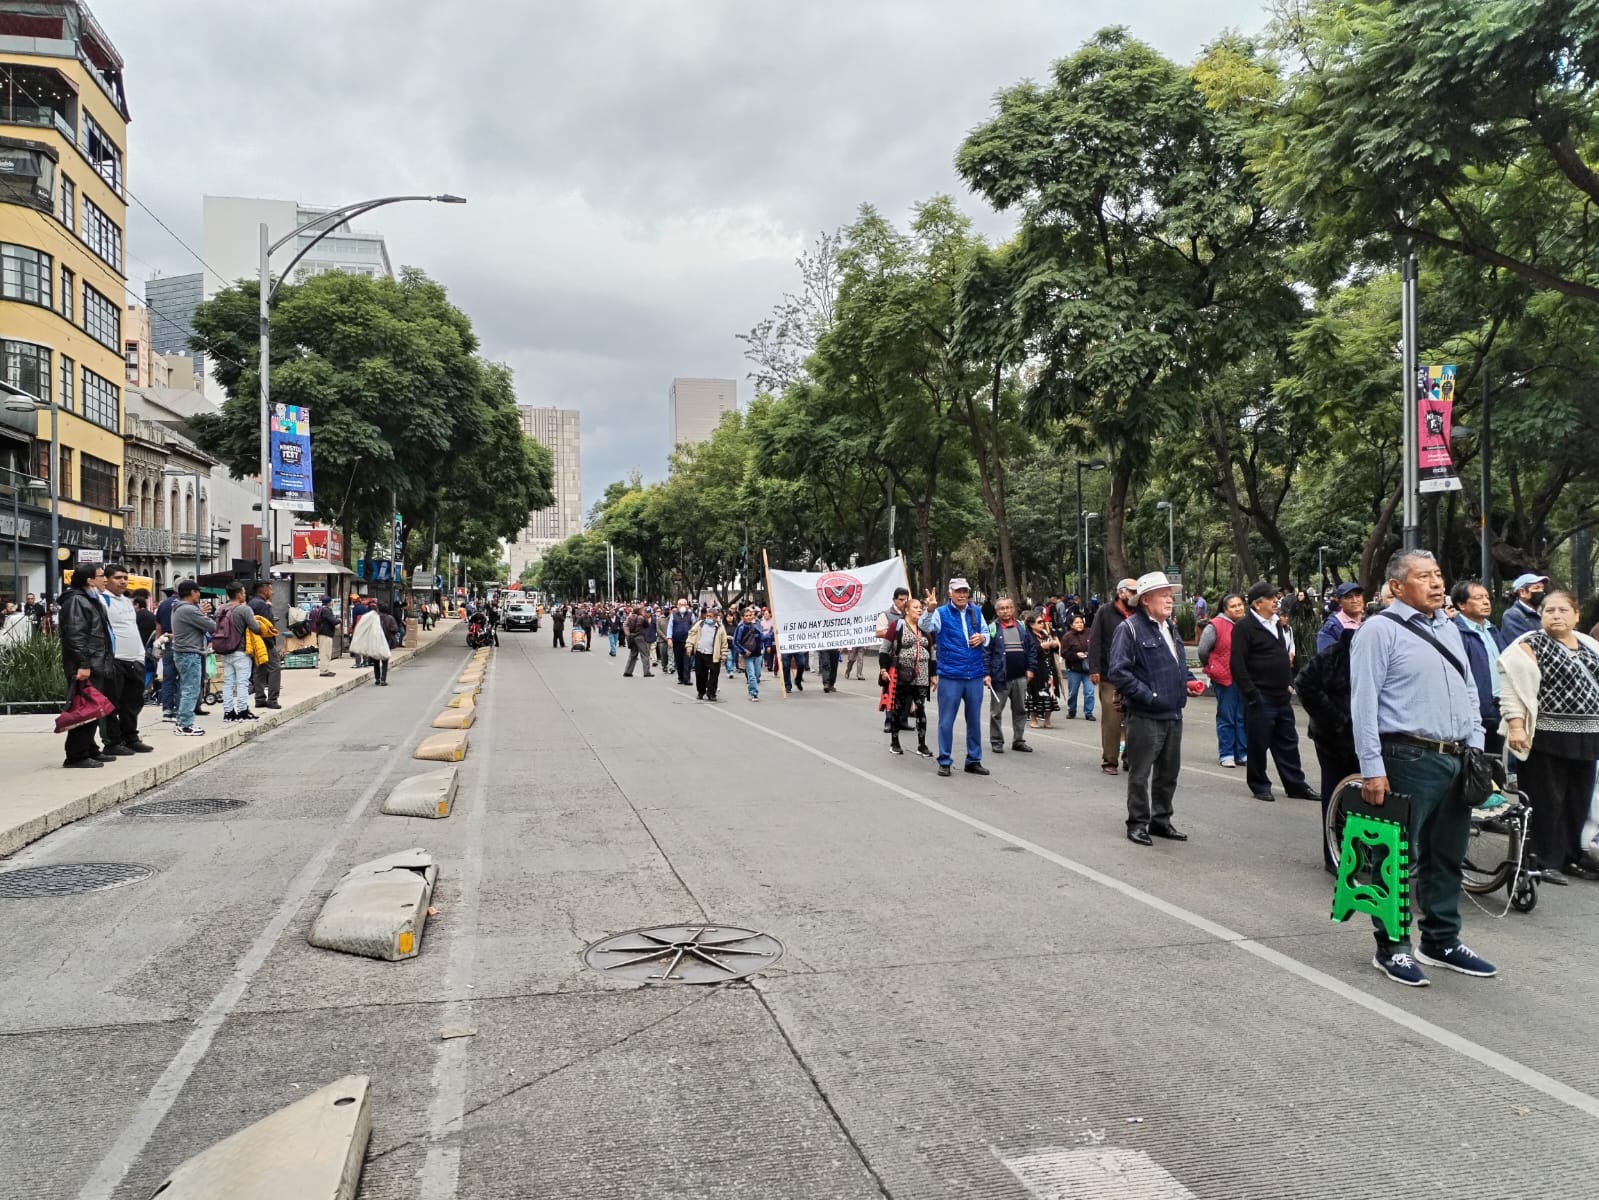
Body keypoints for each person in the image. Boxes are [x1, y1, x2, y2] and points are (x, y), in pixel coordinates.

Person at [1350, 548, 1496, 986]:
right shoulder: (1379, 630)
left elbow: (1469, 689)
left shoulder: (1448, 627)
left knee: (1447, 855)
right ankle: (1392, 947)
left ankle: (1441, 941)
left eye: (1438, 575)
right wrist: (1372, 767)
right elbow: (1363, 703)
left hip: (1457, 757)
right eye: (1424, 576)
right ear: (1397, 586)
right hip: (1407, 758)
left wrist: (1475, 743)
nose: (1436, 583)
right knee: (1395, 857)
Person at [1499, 589, 1599, 884]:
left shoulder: (1589, 645)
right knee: (1546, 800)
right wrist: (1517, 726)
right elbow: (1512, 690)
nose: (1556, 615)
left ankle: (1569, 857)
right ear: (1540, 616)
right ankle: (1541, 858)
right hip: (1546, 736)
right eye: (1549, 610)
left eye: (1563, 610)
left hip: (1588, 736)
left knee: (1577, 799)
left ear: (1577, 616)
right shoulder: (1529, 645)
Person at [1108, 571, 1205, 845]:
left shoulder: (1169, 628)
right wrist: (1149, 696)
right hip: (1145, 715)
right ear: (1146, 600)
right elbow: (1119, 672)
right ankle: (1137, 823)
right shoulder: (1129, 629)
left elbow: (1177, 664)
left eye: (1170, 595)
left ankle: (1161, 820)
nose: (1170, 599)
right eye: (1163, 595)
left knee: (1168, 773)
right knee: (1140, 774)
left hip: (1173, 713)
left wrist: (1189, 681)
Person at [1232, 582, 1317, 803]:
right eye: (1271, 598)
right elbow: (1237, 664)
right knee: (1258, 743)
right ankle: (1259, 784)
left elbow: (1282, 654)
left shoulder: (1276, 623)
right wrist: (1251, 693)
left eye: (1276, 597)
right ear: (1257, 603)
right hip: (1260, 695)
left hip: (1281, 694)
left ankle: (1295, 785)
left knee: (1288, 741)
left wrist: (1288, 682)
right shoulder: (1245, 627)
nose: (1276, 601)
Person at [1295, 624, 1359, 872]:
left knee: (1362, 798)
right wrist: (1338, 721)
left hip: (1367, 739)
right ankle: (1334, 855)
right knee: (1335, 795)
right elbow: (1304, 684)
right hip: (1333, 740)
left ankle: (1358, 852)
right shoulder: (1338, 652)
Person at [919, 578, 991, 778]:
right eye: (958, 591)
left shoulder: (976, 611)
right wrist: (930, 609)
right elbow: (924, 626)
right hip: (950, 674)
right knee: (946, 721)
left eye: (965, 591)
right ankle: (944, 760)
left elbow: (987, 633)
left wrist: (983, 637)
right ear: (950, 593)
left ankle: (973, 760)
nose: (962, 595)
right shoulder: (940, 613)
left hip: (974, 673)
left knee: (974, 720)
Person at [58, 566, 116, 768]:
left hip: (96, 662)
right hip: (87, 664)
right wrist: (83, 664)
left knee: (93, 709)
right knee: (85, 709)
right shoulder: (77, 600)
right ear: (89, 580)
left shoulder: (89, 599)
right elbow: (75, 635)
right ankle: (76, 755)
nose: (105, 580)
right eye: (101, 576)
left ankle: (90, 749)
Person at [99, 565, 153, 756]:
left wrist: (140, 656)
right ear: (106, 580)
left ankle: (130, 737)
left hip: (134, 659)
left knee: (133, 703)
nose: (122, 581)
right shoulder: (102, 600)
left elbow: (131, 628)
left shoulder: (127, 601)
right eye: (117, 577)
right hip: (116, 659)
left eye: (125, 577)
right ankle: (112, 742)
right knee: (111, 703)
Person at [1089, 578, 1138, 775]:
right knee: (1112, 719)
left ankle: (1130, 758)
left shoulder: (1139, 612)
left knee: (1134, 719)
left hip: (1135, 674)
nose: (1135, 595)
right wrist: (1094, 668)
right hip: (1110, 674)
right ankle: (1110, 761)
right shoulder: (1105, 611)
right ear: (1121, 593)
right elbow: (1095, 640)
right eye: (1132, 592)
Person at [1451, 580, 1506, 756]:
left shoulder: (1492, 629)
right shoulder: (1455, 632)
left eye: (1487, 597)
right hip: (1475, 712)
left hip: (1499, 708)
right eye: (1478, 598)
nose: (1486, 602)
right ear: (1461, 605)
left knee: (1496, 762)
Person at [881, 596, 935, 757]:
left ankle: (922, 745)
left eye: (920, 607)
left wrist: (933, 674)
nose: (919, 610)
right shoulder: (897, 626)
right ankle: (895, 742)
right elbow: (884, 649)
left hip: (922, 674)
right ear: (906, 610)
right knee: (898, 707)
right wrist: (883, 669)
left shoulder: (924, 628)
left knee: (920, 708)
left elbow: (932, 652)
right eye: (915, 607)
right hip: (902, 673)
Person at [1197, 593, 1247, 767]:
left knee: (1242, 716)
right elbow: (1203, 650)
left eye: (1240, 604)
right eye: (1233, 606)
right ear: (1225, 609)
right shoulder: (1215, 625)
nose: (1238, 608)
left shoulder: (1247, 624)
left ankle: (1242, 753)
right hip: (1225, 678)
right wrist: (1213, 666)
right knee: (1227, 716)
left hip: (1245, 678)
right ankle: (1227, 754)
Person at [984, 595, 1037, 753]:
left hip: (1021, 677)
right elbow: (986, 653)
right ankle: (996, 741)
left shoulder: (1022, 627)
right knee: (996, 712)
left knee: (1020, 710)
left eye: (1008, 608)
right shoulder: (992, 629)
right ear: (997, 611)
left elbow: (1032, 649)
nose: (1005, 611)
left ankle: (1018, 740)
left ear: (1013, 609)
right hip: (1000, 678)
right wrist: (986, 674)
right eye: (1002, 608)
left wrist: (1031, 669)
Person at [171, 580, 216, 736]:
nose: (199, 595)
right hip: (189, 653)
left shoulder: (179, 608)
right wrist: (203, 614)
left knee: (186, 688)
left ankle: (182, 721)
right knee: (191, 689)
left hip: (183, 653)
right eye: (198, 591)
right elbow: (211, 626)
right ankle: (185, 725)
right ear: (192, 592)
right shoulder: (189, 609)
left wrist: (200, 613)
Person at [214, 582, 263, 722]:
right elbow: (256, 628)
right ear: (239, 594)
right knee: (242, 682)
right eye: (244, 592)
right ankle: (242, 711)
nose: (245, 595)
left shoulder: (220, 609)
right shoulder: (244, 609)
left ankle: (228, 712)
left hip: (225, 650)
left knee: (228, 682)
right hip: (241, 651)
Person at [247, 581, 282, 710]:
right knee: (275, 668)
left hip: (255, 642)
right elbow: (267, 625)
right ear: (264, 590)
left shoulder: (251, 603)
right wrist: (271, 643)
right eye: (270, 590)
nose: (272, 592)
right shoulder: (262, 605)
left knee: (259, 670)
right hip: (265, 642)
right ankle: (272, 699)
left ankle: (259, 699)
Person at [1027, 613, 1062, 730]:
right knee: (1034, 694)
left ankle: (1047, 720)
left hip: (1049, 668)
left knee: (1050, 694)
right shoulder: (1028, 636)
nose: (1042, 624)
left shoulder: (1045, 634)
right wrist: (1041, 647)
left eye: (1043, 621)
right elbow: (1028, 652)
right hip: (1036, 669)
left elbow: (1055, 649)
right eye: (1039, 622)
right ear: (1031, 624)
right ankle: (1033, 719)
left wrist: (1054, 645)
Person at [688, 605, 727, 701]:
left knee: (714, 675)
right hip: (700, 653)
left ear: (716, 617)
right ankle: (701, 692)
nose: (708, 618)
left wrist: (724, 654)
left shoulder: (720, 628)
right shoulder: (700, 624)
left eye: (710, 616)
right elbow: (692, 634)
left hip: (713, 655)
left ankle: (711, 693)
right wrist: (689, 646)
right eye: (707, 616)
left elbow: (724, 642)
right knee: (700, 675)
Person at [1059, 613, 1093, 721]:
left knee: (1090, 692)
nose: (1079, 624)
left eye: (1081, 622)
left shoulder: (1089, 633)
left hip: (1088, 668)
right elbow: (1063, 653)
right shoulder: (1067, 636)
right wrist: (1075, 655)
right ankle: (1072, 710)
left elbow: (1096, 647)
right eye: (1076, 622)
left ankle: (1088, 713)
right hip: (1074, 669)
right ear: (1072, 625)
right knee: (1073, 692)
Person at [1316, 582, 1366, 654]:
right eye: (1349, 597)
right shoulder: (1331, 628)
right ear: (1339, 602)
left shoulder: (1371, 619)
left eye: (1358, 595)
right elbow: (1326, 658)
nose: (1355, 600)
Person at [1499, 572, 1548, 643]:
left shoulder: (1543, 612)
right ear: (1522, 592)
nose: (1541, 591)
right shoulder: (1512, 616)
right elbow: (1523, 645)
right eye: (1536, 588)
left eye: (1542, 588)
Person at [154, 586, 180, 720]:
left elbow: (158, 626)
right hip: (181, 643)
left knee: (168, 677)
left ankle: (167, 709)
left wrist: (158, 645)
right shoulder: (185, 604)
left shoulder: (163, 604)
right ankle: (179, 709)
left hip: (166, 642)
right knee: (182, 678)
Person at [734, 605, 764, 700]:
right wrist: (744, 651)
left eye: (750, 615)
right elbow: (736, 642)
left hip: (758, 654)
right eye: (746, 616)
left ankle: (751, 688)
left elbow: (762, 637)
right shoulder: (741, 627)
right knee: (752, 675)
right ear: (742, 617)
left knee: (757, 674)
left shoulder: (757, 625)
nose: (749, 617)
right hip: (748, 655)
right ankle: (754, 693)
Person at [622, 604, 654, 678]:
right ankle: (646, 672)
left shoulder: (629, 617)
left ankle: (628, 671)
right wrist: (645, 616)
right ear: (639, 611)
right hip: (640, 637)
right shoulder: (641, 618)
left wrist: (628, 634)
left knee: (633, 654)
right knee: (644, 654)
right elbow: (647, 625)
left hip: (632, 637)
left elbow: (625, 625)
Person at [669, 598, 694, 686]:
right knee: (678, 661)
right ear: (677, 606)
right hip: (677, 641)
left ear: (687, 606)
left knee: (687, 660)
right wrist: (669, 639)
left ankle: (687, 679)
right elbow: (670, 627)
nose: (682, 606)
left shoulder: (691, 614)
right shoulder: (673, 615)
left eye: (684, 604)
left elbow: (694, 626)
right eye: (680, 604)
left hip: (688, 642)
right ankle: (681, 677)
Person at [312, 596, 339, 677]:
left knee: (326, 653)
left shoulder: (322, 609)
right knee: (325, 653)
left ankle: (326, 670)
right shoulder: (326, 610)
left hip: (322, 634)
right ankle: (324, 671)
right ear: (329, 602)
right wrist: (339, 620)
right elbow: (334, 621)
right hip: (325, 634)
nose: (332, 603)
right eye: (331, 601)